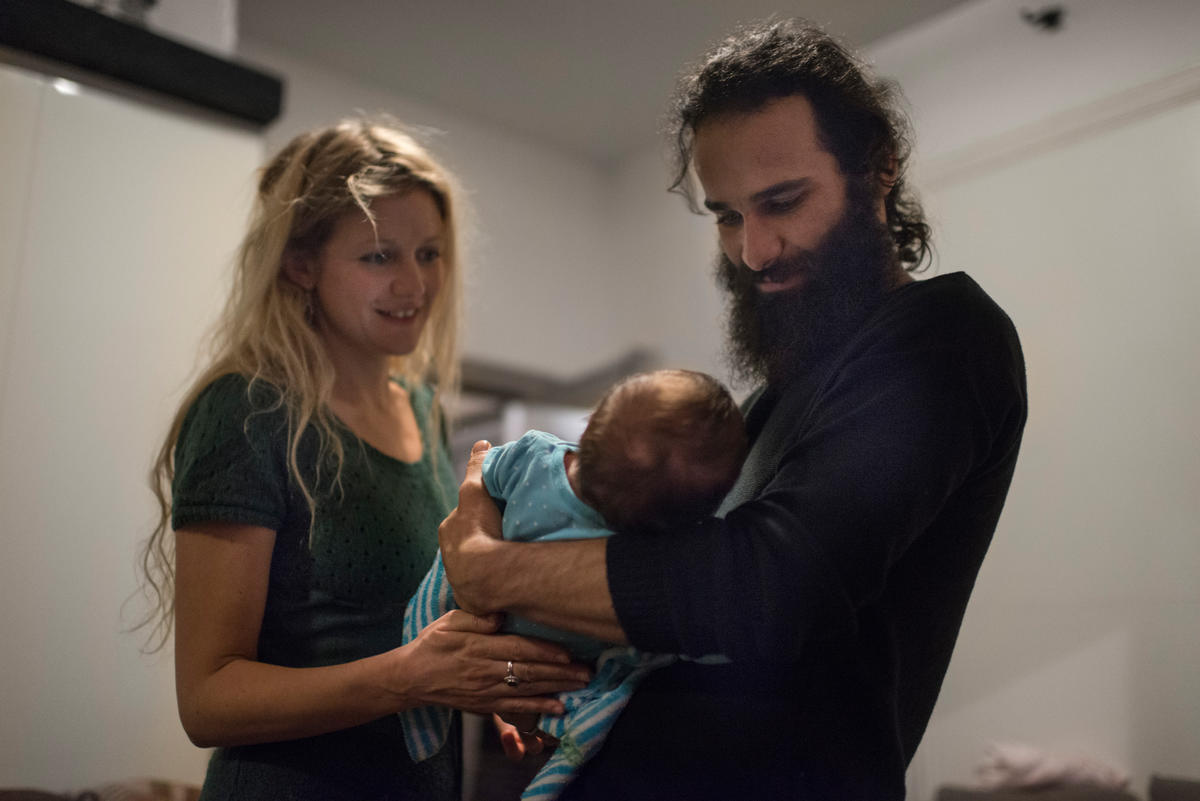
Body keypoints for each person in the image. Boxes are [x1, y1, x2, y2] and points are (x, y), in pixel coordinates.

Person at [438, 19, 1028, 800]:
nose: (753, 250)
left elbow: (767, 587)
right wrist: (533, 671)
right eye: (725, 215)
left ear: (879, 168)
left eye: (783, 202)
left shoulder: (945, 339)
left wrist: (490, 568)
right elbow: (667, 607)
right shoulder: (768, 406)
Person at [135, 120, 589, 801]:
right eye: (379, 256)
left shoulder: (424, 410)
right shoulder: (248, 410)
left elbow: (422, 624)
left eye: (430, 253)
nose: (414, 283)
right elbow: (207, 698)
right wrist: (413, 676)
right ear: (301, 264)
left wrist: (493, 683)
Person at [402, 369, 746, 799]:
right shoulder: (537, 461)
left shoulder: (538, 463)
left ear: (592, 424)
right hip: (535, 659)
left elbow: (478, 488)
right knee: (598, 712)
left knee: (613, 691)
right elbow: (477, 494)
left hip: (543, 674)